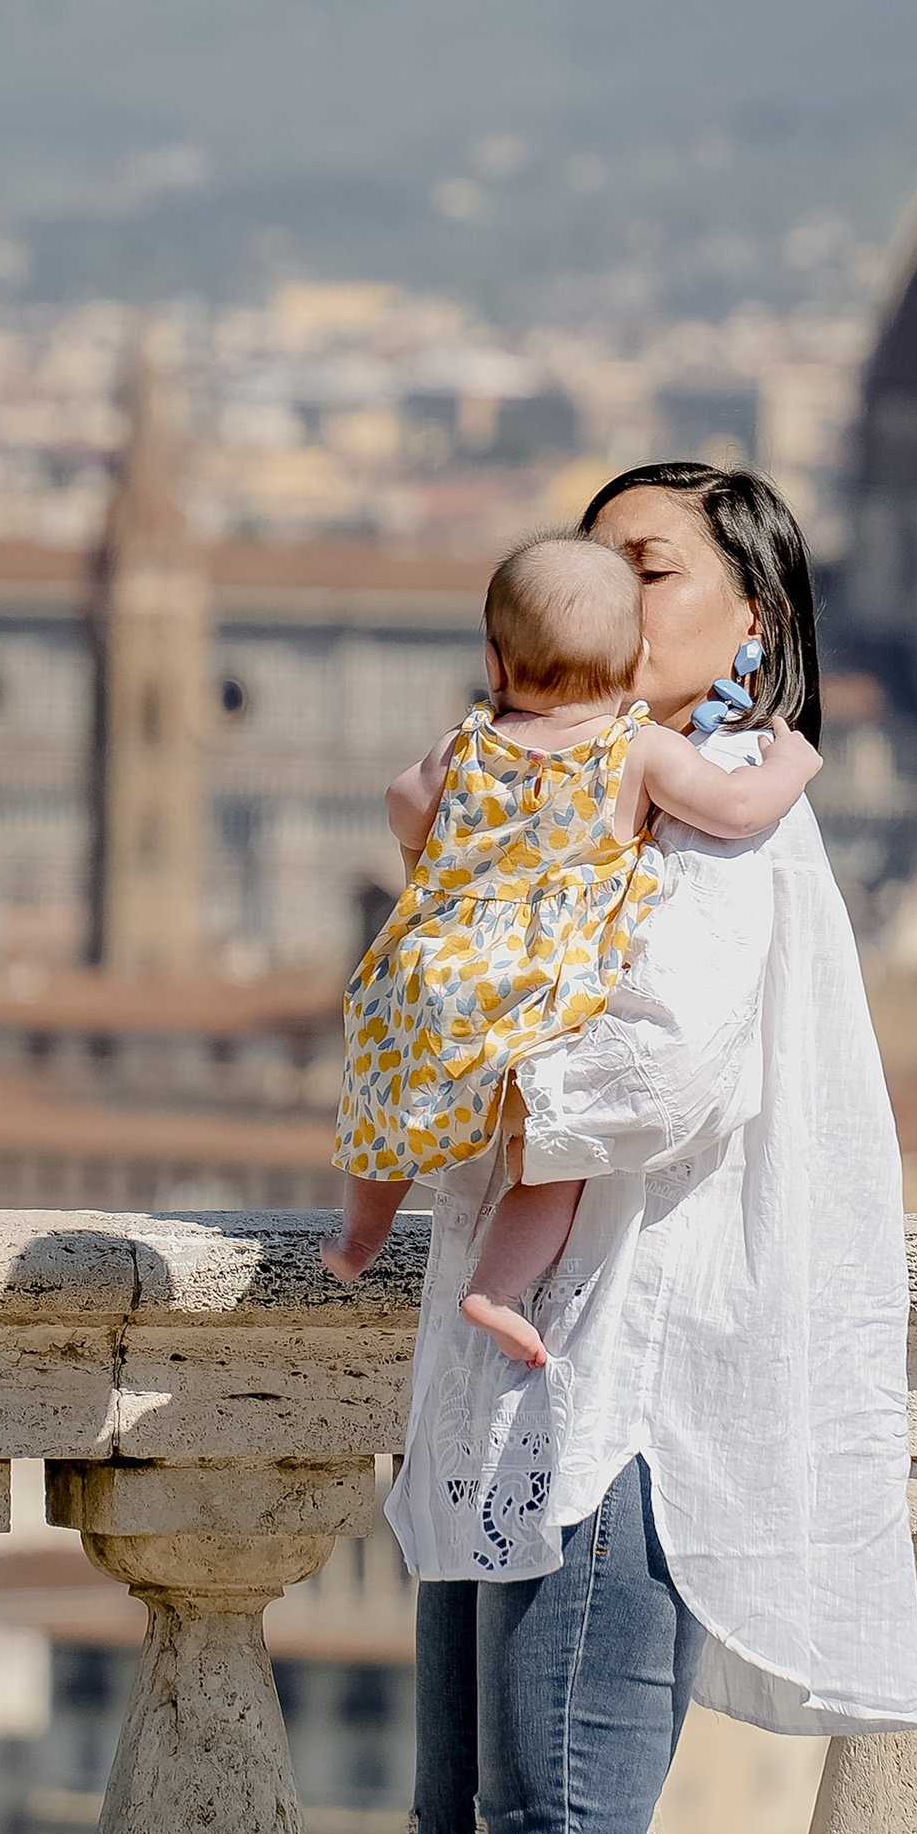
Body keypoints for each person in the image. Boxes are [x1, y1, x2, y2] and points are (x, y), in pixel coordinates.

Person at [328, 465, 917, 1834]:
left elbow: (657, 1075)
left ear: (738, 618)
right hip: (518, 1395)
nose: (597, 589)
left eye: (643, 564)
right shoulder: (585, 788)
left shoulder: (718, 802)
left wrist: (463, 1072)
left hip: (626, 1397)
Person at [323, 532, 821, 1366]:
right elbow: (735, 808)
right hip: (541, 995)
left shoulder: (469, 740)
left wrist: (428, 873)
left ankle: (357, 1238)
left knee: (390, 1110)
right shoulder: (635, 748)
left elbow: (402, 803)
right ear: (634, 665)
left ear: (493, 659)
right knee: (551, 1157)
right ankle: (498, 1288)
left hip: (428, 972)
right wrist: (795, 758)